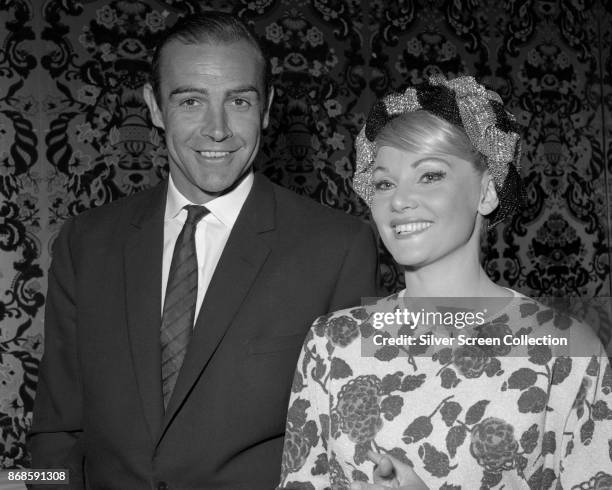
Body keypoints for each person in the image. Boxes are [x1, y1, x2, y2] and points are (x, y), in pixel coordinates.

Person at [27, 11, 379, 490]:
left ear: (268, 107)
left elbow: (357, 446)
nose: (217, 129)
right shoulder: (84, 242)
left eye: (238, 101)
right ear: (154, 106)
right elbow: (52, 432)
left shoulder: (339, 246)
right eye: (191, 100)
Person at [277, 75, 612, 489]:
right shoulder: (331, 343)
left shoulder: (564, 348)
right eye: (384, 183)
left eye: (430, 175)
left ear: (487, 191)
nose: (398, 201)